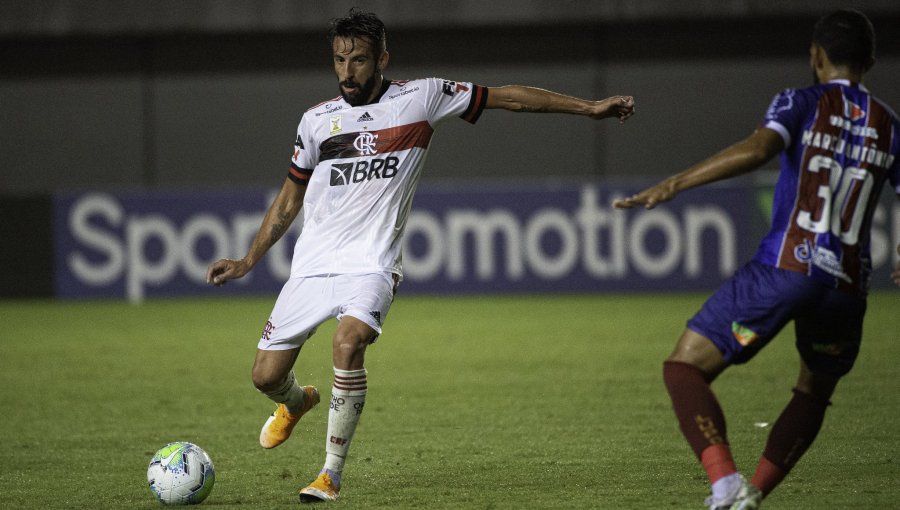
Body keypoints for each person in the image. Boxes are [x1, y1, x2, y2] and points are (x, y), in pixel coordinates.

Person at [206, 8, 634, 504]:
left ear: (382, 58)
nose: (348, 71)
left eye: (359, 60)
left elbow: (508, 98)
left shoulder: (422, 97)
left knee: (348, 344)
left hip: (372, 265)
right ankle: (298, 402)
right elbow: (288, 199)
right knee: (265, 377)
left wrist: (590, 107)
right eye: (339, 60)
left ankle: (329, 474)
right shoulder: (316, 121)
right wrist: (248, 260)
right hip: (313, 268)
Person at [614, 8, 900, 510]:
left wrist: (675, 183)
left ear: (816, 56)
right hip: (848, 288)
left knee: (684, 368)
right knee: (813, 393)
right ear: (871, 60)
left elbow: (758, 148)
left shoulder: (801, 101)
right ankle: (753, 496)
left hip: (786, 269)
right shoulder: (891, 125)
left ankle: (726, 484)